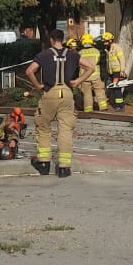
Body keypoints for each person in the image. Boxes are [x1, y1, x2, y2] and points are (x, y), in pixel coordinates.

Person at [24, 29, 92, 177]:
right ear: (63, 39)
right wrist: (78, 81)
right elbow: (90, 68)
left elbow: (29, 71)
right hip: (67, 94)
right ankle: (64, 167)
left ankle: (43, 163)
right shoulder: (73, 54)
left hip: (50, 93)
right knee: (66, 130)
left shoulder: (44, 54)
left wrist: (37, 86)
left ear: (51, 40)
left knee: (43, 127)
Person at [77, 34, 105, 112]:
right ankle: (103, 108)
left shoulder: (79, 53)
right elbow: (101, 63)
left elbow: (78, 65)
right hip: (96, 76)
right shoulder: (97, 51)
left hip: (85, 77)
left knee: (87, 94)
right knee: (100, 92)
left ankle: (88, 110)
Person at [99, 31, 127, 110]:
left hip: (117, 72)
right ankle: (117, 104)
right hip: (111, 72)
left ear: (111, 40)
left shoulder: (116, 48)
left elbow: (122, 59)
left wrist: (122, 70)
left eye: (106, 41)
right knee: (113, 88)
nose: (105, 43)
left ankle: (120, 106)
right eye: (104, 41)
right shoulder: (107, 49)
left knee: (116, 88)